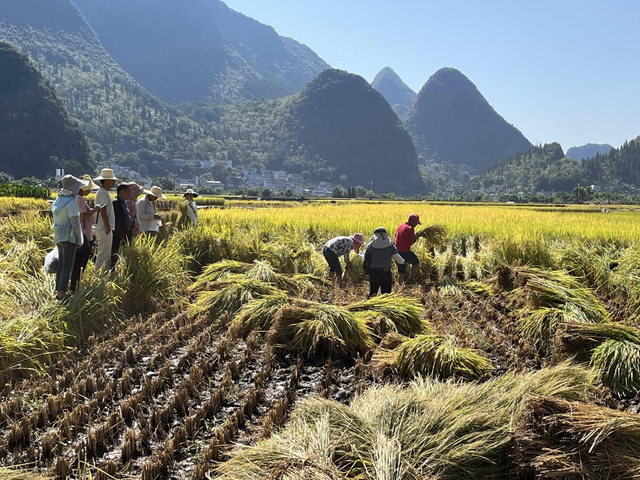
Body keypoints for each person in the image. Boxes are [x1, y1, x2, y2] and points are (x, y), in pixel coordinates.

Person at [52, 175, 88, 299]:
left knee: (61, 264)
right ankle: (62, 293)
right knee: (67, 265)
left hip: (58, 236)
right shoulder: (71, 203)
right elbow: (75, 223)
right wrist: (80, 239)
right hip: (69, 237)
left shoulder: (58, 200)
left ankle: (58, 291)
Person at [70, 176, 101, 292]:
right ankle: (75, 288)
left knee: (79, 263)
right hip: (83, 235)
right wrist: (95, 210)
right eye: (89, 188)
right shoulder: (79, 198)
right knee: (80, 263)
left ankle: (76, 287)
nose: (90, 191)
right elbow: (83, 216)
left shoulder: (76, 198)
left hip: (84, 234)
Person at [363, 227, 405, 297]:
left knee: (373, 293)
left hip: (373, 272)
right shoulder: (391, 246)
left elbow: (365, 258)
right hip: (385, 272)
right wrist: (404, 262)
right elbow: (399, 260)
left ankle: (370, 307)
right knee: (386, 295)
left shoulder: (370, 246)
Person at [93, 168, 119, 274]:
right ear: (106, 180)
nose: (113, 182)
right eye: (112, 180)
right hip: (104, 228)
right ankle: (99, 276)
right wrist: (107, 226)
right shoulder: (103, 192)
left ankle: (103, 275)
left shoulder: (102, 192)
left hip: (104, 227)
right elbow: (103, 210)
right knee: (103, 254)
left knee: (105, 253)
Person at [395, 214, 422, 285]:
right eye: (415, 223)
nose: (416, 224)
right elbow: (412, 240)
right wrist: (416, 238)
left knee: (401, 270)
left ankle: (400, 287)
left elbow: (395, 236)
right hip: (405, 251)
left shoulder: (400, 226)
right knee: (416, 262)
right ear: (411, 221)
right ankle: (411, 279)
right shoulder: (410, 228)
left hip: (397, 251)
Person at [111, 183, 134, 268]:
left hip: (126, 232)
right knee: (115, 252)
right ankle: (112, 269)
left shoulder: (123, 202)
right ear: (121, 192)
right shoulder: (115, 203)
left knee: (125, 252)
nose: (129, 194)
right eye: (128, 191)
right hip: (118, 233)